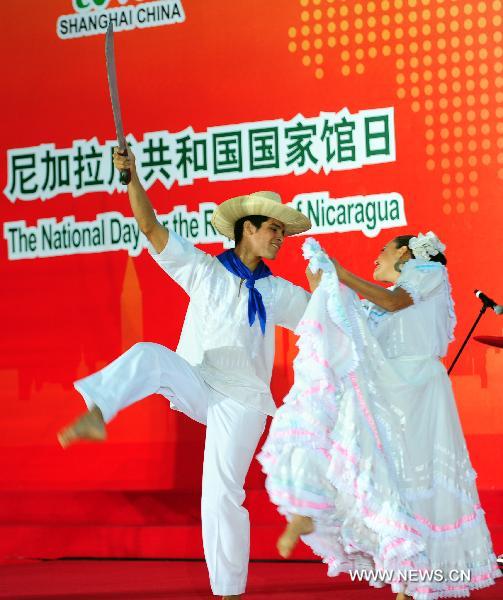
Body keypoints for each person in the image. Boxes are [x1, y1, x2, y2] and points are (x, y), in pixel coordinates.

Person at [57, 148, 311, 600]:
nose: (280, 238)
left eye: (283, 232)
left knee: (220, 494)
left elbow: (323, 318)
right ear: (247, 228)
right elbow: (152, 229)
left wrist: (357, 299)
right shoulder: (206, 272)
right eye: (274, 228)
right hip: (198, 378)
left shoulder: (276, 291)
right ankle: (99, 410)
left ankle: (228, 591)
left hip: (243, 400)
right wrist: (132, 178)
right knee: (150, 355)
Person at [258, 233, 501, 600]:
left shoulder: (428, 272)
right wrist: (325, 286)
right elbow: (351, 325)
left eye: (382, 250)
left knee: (421, 481)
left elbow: (393, 301)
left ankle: (418, 580)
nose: (377, 258)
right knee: (394, 479)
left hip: (420, 391)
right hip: (392, 392)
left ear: (405, 251)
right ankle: (406, 578)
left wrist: (341, 274)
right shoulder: (377, 304)